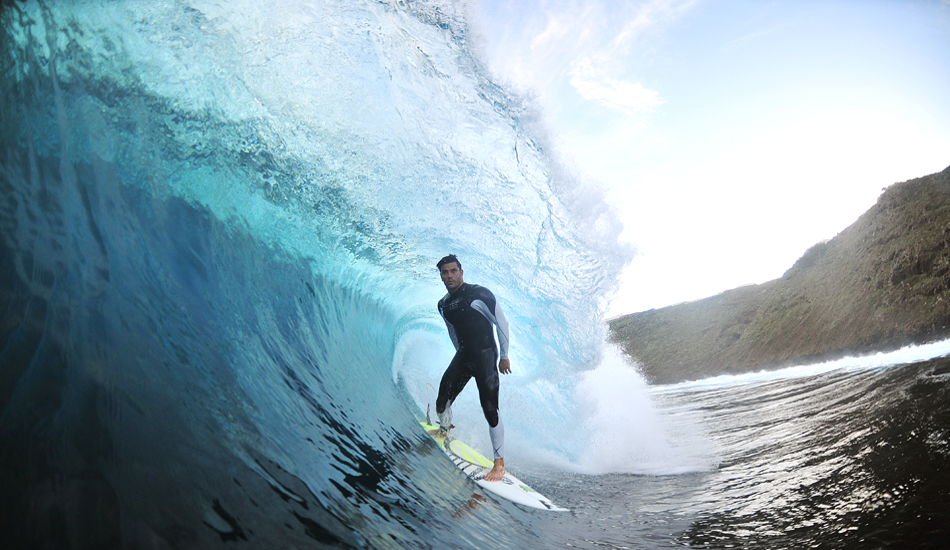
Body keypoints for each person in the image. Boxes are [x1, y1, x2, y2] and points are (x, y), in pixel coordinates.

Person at [434, 254, 511, 482]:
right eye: (445, 272)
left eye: (453, 271)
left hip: (486, 356)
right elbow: (452, 332)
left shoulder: (479, 294)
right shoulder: (443, 305)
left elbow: (501, 323)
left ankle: (499, 464)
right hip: (464, 355)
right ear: (441, 276)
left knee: (489, 408)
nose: (449, 276)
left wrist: (504, 356)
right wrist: (459, 354)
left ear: (461, 271)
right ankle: (445, 430)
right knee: (441, 401)